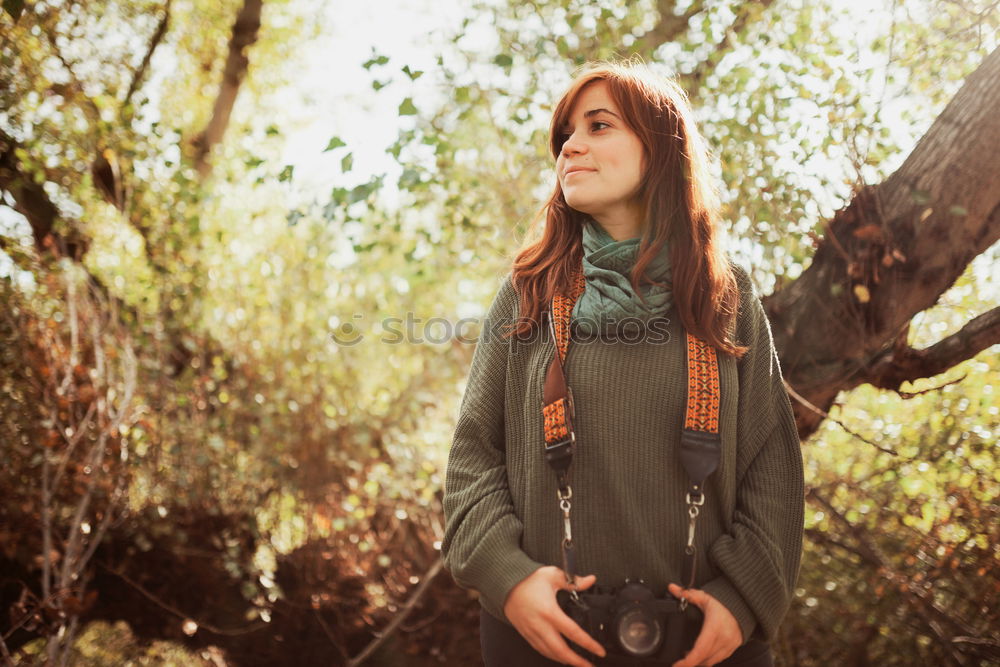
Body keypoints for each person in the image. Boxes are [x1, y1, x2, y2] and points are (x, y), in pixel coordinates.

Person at [441, 61, 804, 667]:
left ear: (661, 148)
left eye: (598, 126)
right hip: (541, 640)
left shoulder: (725, 294)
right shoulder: (529, 292)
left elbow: (773, 466)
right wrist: (509, 579)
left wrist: (742, 600)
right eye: (565, 137)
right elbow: (473, 456)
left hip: (702, 646)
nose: (570, 147)